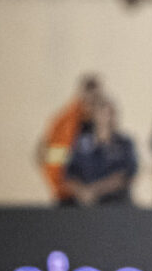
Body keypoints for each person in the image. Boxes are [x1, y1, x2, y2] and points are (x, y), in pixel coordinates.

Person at [36, 75, 104, 205]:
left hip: (100, 196)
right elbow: (54, 161)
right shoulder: (65, 124)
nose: (91, 103)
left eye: (96, 98)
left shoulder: (105, 121)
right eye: (88, 98)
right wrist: (72, 189)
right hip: (68, 196)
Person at [63, 99, 137, 206]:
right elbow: (69, 174)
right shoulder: (81, 144)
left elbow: (125, 175)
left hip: (116, 206)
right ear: (95, 116)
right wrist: (82, 192)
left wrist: (95, 190)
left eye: (110, 114)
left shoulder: (124, 144)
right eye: (103, 114)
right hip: (86, 207)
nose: (107, 118)